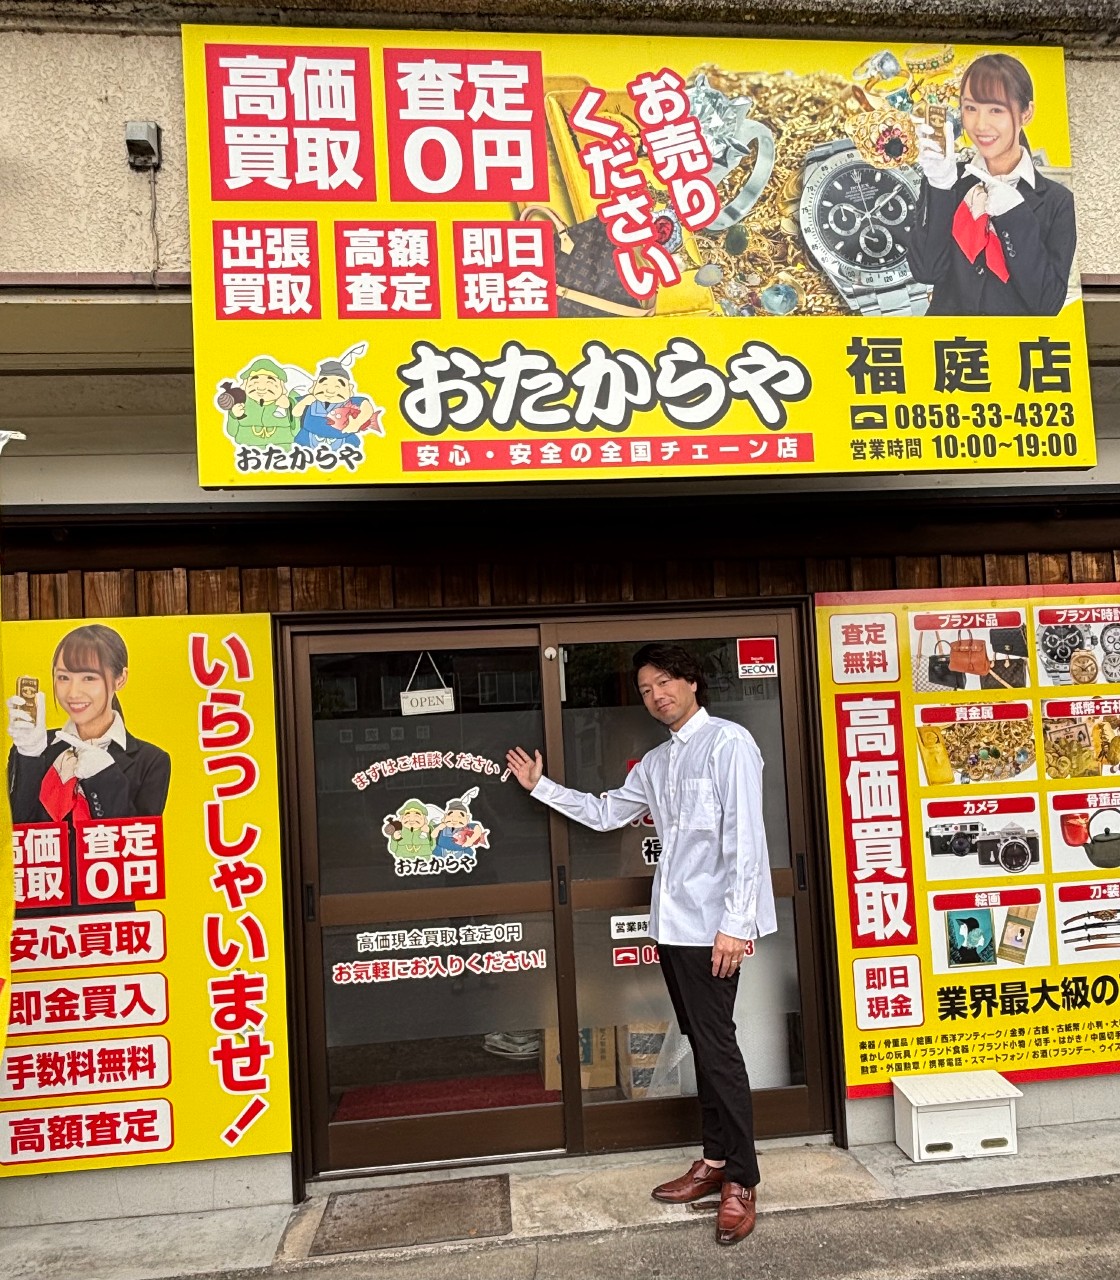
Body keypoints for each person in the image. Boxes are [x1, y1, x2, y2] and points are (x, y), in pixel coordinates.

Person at [506, 643, 776, 1248]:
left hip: (716, 928)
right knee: (704, 1045)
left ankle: (741, 1179)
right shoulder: (656, 763)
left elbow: (746, 839)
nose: (657, 695)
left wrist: (736, 924)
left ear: (692, 683)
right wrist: (540, 786)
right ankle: (714, 1160)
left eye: (666, 682)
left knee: (718, 1049)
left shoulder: (728, 744)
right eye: (647, 689)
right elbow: (606, 813)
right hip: (674, 927)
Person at [7, 624, 172, 914]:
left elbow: (135, 852)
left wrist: (103, 777)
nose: (73, 692)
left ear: (120, 679)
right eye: (63, 677)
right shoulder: (34, 747)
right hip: (37, 923)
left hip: (107, 923)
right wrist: (29, 755)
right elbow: (15, 833)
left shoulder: (151, 761)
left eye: (88, 677)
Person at [905, 52, 1076, 316]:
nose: (981, 125)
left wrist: (1014, 216)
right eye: (970, 108)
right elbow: (926, 270)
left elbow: (1048, 303)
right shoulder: (949, 180)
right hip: (947, 341)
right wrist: (940, 186)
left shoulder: (1057, 200)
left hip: (1014, 342)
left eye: (996, 110)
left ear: (1026, 113)